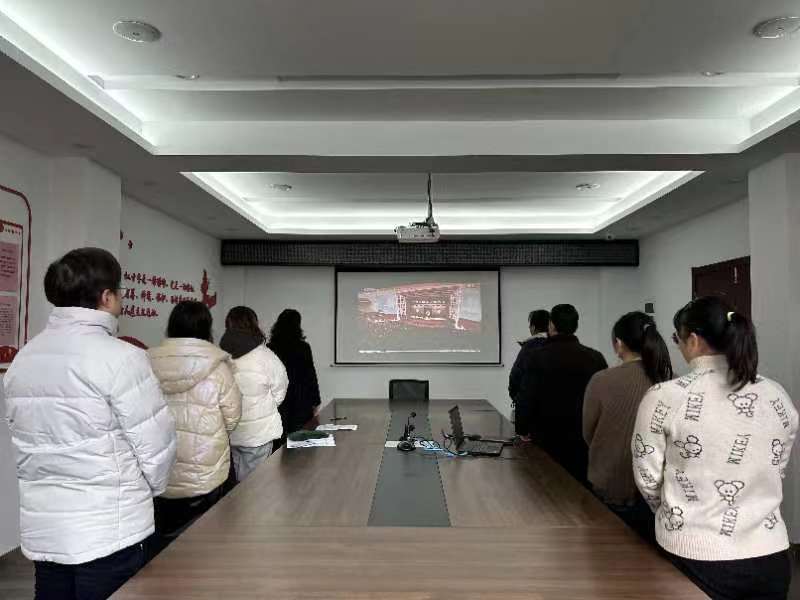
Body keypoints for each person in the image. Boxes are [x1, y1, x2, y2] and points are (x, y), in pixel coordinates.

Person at [3, 247, 177, 600]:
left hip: (47, 528)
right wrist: (146, 495)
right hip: (110, 529)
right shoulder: (123, 358)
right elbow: (156, 450)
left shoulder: (25, 358)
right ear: (106, 296)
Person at [633, 297, 798, 600]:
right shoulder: (776, 394)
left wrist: (679, 513)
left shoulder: (664, 397)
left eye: (677, 339)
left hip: (695, 556)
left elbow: (647, 478)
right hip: (771, 556)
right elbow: (778, 466)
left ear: (693, 340)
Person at [148, 301, 241, 547]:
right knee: (206, 540)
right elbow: (232, 418)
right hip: (205, 469)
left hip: (161, 468)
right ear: (207, 328)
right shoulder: (219, 368)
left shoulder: (146, 363)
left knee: (165, 537)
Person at [583, 311, 673, 541]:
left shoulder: (601, 380)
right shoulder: (670, 380)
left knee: (606, 553)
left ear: (619, 344)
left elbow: (588, 433)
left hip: (609, 484)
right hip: (657, 494)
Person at [516, 304, 607, 482]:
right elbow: (604, 401)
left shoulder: (537, 357)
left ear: (551, 325)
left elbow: (526, 397)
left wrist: (522, 429)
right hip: (582, 442)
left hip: (545, 440)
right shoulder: (596, 358)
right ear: (576, 326)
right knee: (579, 490)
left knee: (546, 490)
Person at [220, 306, 289, 481]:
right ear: (254, 324)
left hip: (232, 431)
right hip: (260, 432)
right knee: (258, 483)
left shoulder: (221, 355)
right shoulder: (266, 356)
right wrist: (266, 406)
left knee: (239, 479)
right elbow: (280, 389)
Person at [268, 309, 322, 439]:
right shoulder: (303, 347)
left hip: (279, 400)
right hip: (301, 399)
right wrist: (315, 401)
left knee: (279, 440)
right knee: (300, 440)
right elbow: (310, 376)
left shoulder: (270, 348)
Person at [509, 309, 550, 438]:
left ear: (533, 327)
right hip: (555, 418)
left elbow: (514, 379)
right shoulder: (558, 347)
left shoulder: (529, 348)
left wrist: (517, 399)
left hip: (529, 417)